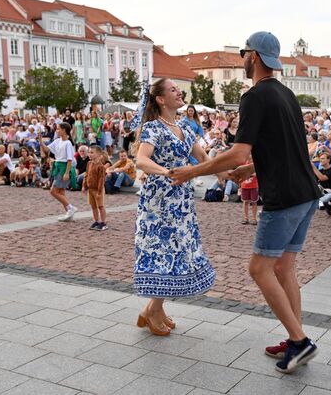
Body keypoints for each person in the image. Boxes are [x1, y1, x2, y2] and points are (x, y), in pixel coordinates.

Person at [169, 31, 320, 373]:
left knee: (259, 269)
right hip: (306, 193)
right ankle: (295, 336)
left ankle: (300, 342)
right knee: (284, 268)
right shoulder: (286, 95)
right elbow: (286, 148)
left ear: (254, 57)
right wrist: (249, 168)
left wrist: (193, 171)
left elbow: (237, 150)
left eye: (243, 52)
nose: (242, 58)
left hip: (284, 198)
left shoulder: (254, 97)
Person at [133, 79, 216, 337]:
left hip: (181, 200)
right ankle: (152, 310)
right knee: (165, 251)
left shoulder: (184, 127)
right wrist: (167, 171)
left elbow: (203, 159)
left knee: (178, 251)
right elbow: (141, 160)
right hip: (159, 202)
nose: (179, 92)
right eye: (173, 90)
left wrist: (228, 173)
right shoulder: (153, 128)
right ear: (160, 99)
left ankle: (153, 309)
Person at [38, 122, 78, 222]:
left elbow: (69, 159)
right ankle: (69, 214)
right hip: (58, 166)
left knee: (53, 191)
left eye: (59, 129)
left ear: (64, 130)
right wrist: (40, 140)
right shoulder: (57, 141)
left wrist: (67, 173)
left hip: (64, 168)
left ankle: (70, 208)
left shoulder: (68, 143)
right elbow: (47, 150)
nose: (57, 130)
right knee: (61, 192)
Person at [83, 145, 107, 230]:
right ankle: (96, 221)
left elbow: (101, 180)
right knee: (93, 206)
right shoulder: (89, 163)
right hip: (90, 189)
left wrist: (99, 192)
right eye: (89, 152)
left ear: (98, 154)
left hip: (97, 190)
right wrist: (84, 186)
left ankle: (103, 222)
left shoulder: (101, 166)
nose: (89, 154)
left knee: (100, 206)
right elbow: (86, 175)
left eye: (92, 152)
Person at [240, 156, 259, 225]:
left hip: (253, 186)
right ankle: (246, 218)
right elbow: (240, 173)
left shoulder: (255, 164)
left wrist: (249, 174)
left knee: (254, 202)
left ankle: (254, 218)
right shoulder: (243, 164)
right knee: (245, 202)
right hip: (244, 186)